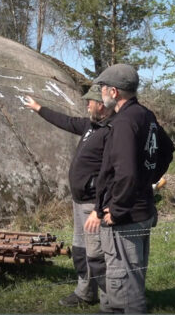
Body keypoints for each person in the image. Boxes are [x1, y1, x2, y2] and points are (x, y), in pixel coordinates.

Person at [84, 63, 174, 314]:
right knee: (132, 277)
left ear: (114, 92)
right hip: (142, 207)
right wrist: (150, 177)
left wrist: (117, 208)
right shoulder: (145, 115)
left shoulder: (123, 121)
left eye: (102, 88)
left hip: (127, 215)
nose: (100, 92)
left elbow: (125, 172)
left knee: (124, 285)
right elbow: (167, 150)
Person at [23, 87, 114, 308]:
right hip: (79, 201)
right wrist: (38, 109)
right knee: (81, 250)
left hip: (94, 204)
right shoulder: (90, 126)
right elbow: (65, 121)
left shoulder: (111, 131)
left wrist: (100, 207)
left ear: (100, 105)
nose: (86, 106)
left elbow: (113, 171)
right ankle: (85, 293)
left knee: (97, 254)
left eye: (89, 103)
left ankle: (110, 302)